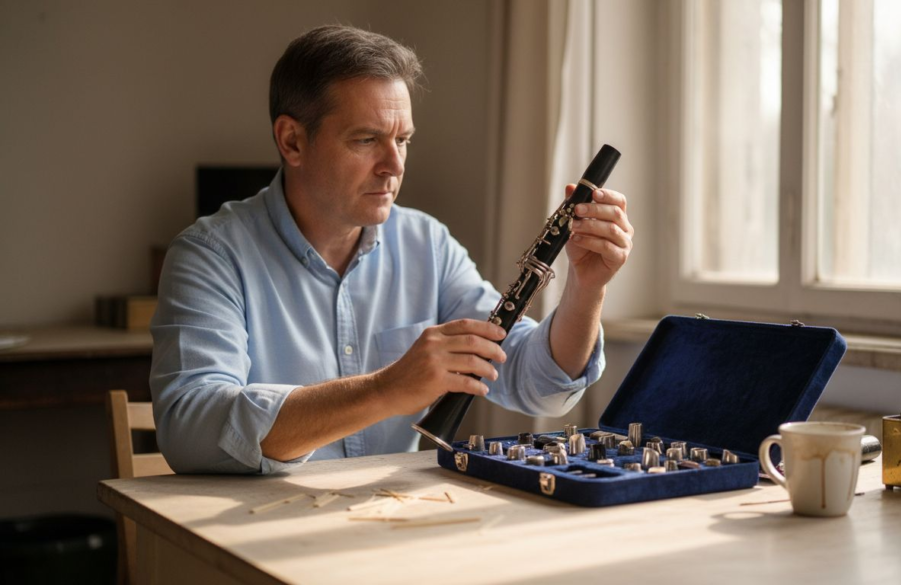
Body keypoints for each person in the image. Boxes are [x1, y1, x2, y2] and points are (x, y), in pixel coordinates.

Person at [150, 25, 633, 474]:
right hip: (254, 538)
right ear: (292, 140)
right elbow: (190, 429)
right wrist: (384, 390)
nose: (393, 166)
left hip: (391, 524)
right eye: (366, 140)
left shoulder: (429, 244)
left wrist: (586, 288)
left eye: (403, 140)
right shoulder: (209, 255)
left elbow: (538, 385)